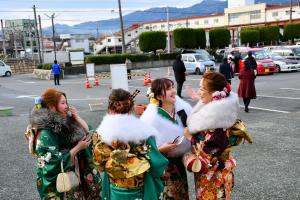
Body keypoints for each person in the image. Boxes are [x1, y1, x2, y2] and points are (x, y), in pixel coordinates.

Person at [184, 72, 252, 200]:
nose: (199, 92)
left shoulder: (216, 120)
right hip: (216, 171)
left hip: (214, 174)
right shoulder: (219, 110)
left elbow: (209, 152)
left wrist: (189, 137)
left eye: (202, 89)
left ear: (214, 94)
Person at [25, 88, 101, 199]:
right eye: (63, 103)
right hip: (61, 179)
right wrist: (78, 148)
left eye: (66, 102)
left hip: (75, 174)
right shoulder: (45, 132)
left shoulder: (67, 119)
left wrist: (77, 117)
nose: (67, 106)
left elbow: (88, 132)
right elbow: (52, 162)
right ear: (51, 107)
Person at [93, 88, 168, 200]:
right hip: (139, 188)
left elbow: (99, 164)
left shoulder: (101, 132)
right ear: (131, 108)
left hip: (116, 189)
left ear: (110, 107)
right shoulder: (144, 131)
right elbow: (156, 164)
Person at [140, 78, 192, 200]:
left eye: (173, 87)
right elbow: (142, 147)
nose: (173, 91)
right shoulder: (152, 117)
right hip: (162, 166)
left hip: (178, 164)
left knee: (182, 194)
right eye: (168, 89)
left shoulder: (181, 112)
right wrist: (159, 149)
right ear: (158, 96)